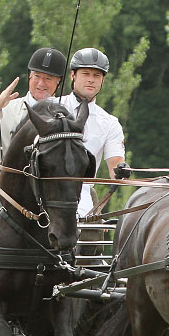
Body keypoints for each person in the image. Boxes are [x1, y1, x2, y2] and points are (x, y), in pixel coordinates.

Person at [57, 47, 129, 217]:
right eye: (86, 74)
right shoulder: (52, 107)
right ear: (73, 75)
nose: (91, 80)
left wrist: (121, 171)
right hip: (46, 190)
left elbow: (115, 164)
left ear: (103, 79)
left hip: (81, 198)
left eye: (96, 76)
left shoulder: (110, 123)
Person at [0, 47, 67, 160]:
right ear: (30, 76)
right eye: (37, 76)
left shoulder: (67, 111)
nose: (41, 83)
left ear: (59, 81)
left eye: (48, 78)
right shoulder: (5, 111)